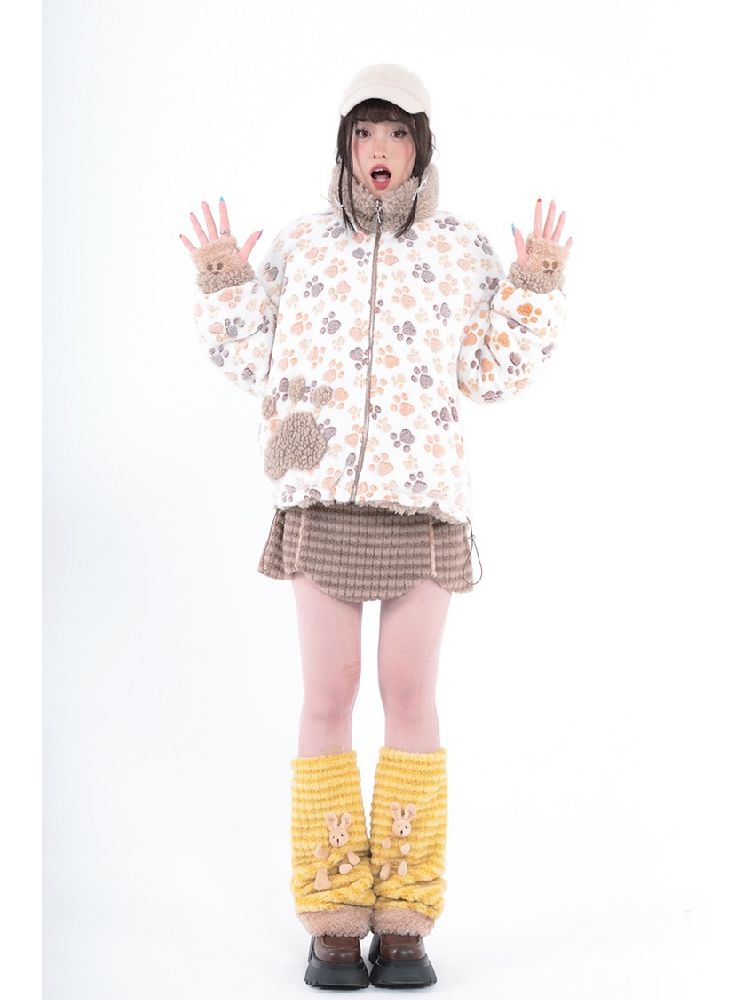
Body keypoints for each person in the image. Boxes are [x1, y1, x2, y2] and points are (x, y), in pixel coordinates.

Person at [180, 62, 572, 989]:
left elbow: (491, 372)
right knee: (330, 693)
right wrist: (227, 281)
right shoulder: (305, 244)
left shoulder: (461, 247)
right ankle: (330, 919)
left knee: (408, 693)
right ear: (345, 145)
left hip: (423, 501)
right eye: (365, 132)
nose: (381, 150)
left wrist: (534, 282)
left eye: (398, 132)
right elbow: (258, 359)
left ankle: (403, 919)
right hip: (321, 497)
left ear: (422, 144)